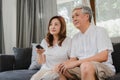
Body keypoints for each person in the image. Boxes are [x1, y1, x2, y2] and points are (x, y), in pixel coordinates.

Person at [59, 5, 115, 80]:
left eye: (77, 15)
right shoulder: (75, 37)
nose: (74, 19)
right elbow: (73, 59)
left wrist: (78, 62)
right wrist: (66, 64)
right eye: (72, 17)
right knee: (60, 68)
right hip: (83, 67)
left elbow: (103, 56)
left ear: (87, 16)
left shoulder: (100, 31)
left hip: (103, 67)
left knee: (85, 66)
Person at [30, 16, 71, 80]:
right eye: (51, 24)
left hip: (58, 71)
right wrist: (40, 54)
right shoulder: (45, 41)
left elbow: (72, 59)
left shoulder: (68, 41)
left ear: (62, 27)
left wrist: (61, 66)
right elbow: (42, 62)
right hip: (44, 70)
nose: (53, 27)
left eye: (56, 24)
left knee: (48, 78)